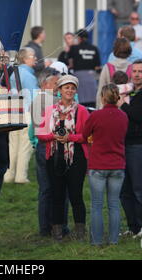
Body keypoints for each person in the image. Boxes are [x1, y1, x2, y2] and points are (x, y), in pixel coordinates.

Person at [36, 75, 89, 241]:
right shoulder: (50, 110)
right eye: (66, 87)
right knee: (57, 195)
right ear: (59, 90)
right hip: (54, 156)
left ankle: (80, 232)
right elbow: (40, 134)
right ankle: (57, 231)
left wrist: (70, 138)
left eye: (73, 88)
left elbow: (87, 136)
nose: (70, 90)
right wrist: (53, 136)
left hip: (76, 157)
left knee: (76, 195)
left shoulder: (82, 110)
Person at [83, 84, 128, 246]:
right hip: (117, 164)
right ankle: (114, 240)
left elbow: (84, 134)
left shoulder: (96, 116)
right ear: (117, 98)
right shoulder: (123, 116)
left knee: (96, 205)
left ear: (102, 98)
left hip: (98, 165)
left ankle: (96, 241)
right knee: (114, 205)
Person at [117, 60, 142, 238]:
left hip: (137, 145)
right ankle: (133, 227)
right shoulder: (127, 90)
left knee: (139, 188)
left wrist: (122, 105)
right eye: (134, 71)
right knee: (124, 190)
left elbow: (138, 116)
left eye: (141, 71)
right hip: (121, 143)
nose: (137, 74)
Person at [29, 68, 70, 237]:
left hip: (41, 146)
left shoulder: (36, 100)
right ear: (45, 84)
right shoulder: (53, 101)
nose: (59, 86)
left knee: (45, 189)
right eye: (56, 83)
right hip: (53, 146)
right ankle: (60, 226)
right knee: (60, 188)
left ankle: (45, 227)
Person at [3, 47, 39, 184]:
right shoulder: (29, 76)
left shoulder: (14, 73)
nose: (35, 58)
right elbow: (34, 98)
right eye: (32, 56)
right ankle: (21, 177)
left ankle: (9, 175)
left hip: (15, 112)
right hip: (26, 112)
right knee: (25, 146)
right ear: (24, 59)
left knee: (13, 146)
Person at [67, 29, 101, 108]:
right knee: (92, 103)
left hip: (79, 77)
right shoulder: (94, 48)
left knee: (80, 104)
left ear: (79, 38)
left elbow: (70, 63)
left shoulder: (74, 48)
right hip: (91, 77)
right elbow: (97, 66)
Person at [97, 38, 133, 109]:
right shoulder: (132, 68)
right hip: (126, 109)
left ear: (114, 50)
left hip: (109, 109)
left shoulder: (107, 67)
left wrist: (99, 108)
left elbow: (100, 90)